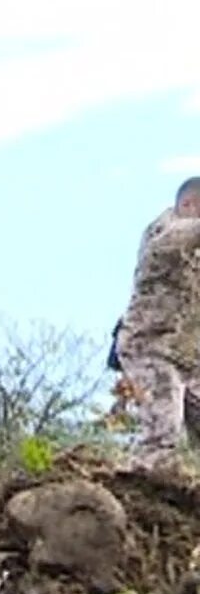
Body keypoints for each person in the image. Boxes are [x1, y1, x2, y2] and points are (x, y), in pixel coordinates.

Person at [116, 178, 200, 472]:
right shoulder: (163, 233)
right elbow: (184, 237)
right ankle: (140, 490)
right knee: (163, 431)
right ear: (189, 205)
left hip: (188, 357)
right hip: (149, 348)